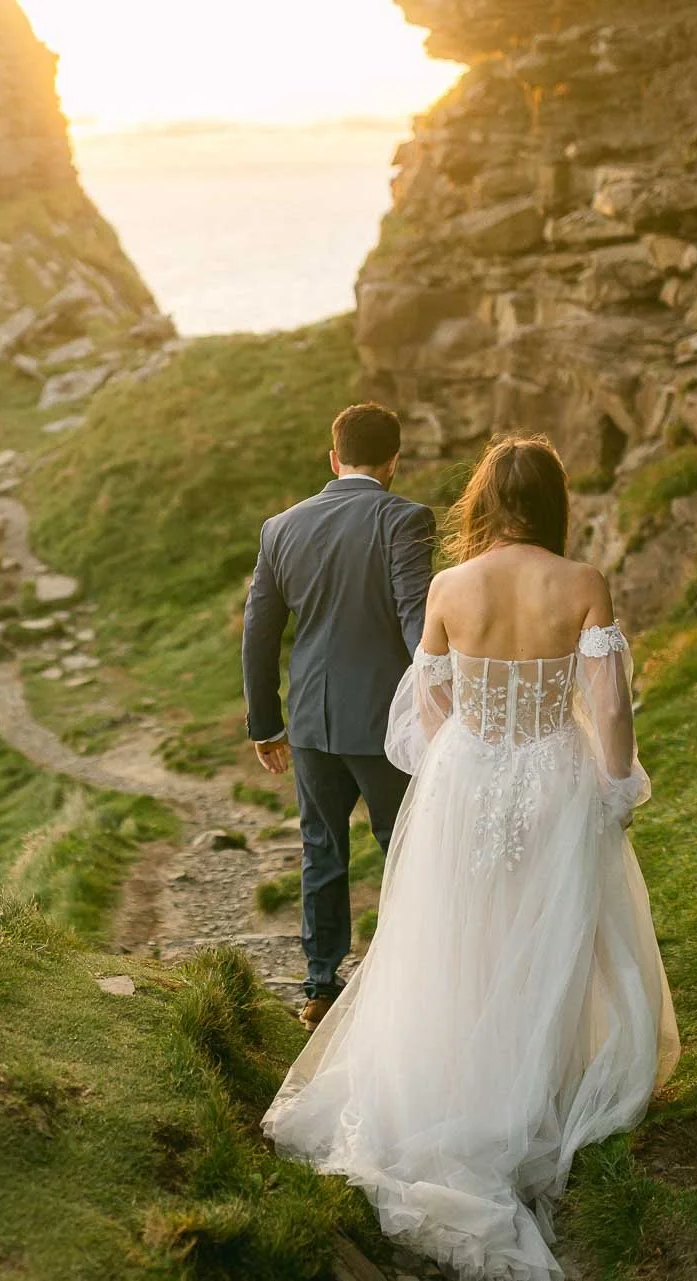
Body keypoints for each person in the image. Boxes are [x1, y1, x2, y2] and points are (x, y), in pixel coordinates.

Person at [261, 435, 680, 1281]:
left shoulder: (451, 585)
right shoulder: (582, 583)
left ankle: (451, 1085)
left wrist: (475, 747)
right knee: (553, 930)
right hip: (554, 776)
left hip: (470, 777)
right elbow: (611, 706)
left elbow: (430, 693)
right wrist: (615, 786)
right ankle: (535, 1096)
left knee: (460, 935)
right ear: (554, 500)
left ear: (485, 499)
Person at [241, 402, 436, 1032]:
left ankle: (320, 985)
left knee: (320, 848)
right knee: (402, 846)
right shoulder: (405, 519)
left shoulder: (280, 527)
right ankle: (416, 978)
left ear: (334, 457)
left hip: (309, 723)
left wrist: (265, 723)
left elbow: (259, 634)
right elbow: (416, 622)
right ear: (394, 461)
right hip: (385, 725)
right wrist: (441, 704)